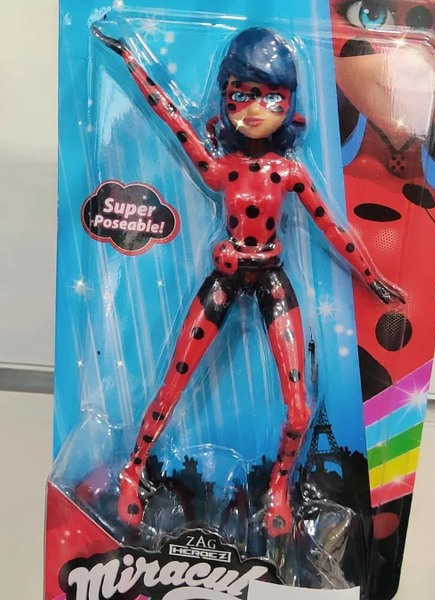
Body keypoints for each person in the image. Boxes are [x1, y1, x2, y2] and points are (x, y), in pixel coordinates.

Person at [93, 25, 402, 537]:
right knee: (174, 382)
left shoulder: (288, 173)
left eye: (271, 97)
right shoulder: (222, 169)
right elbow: (171, 118)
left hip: (272, 281)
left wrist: (374, 278)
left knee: (299, 408)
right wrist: (130, 60)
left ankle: (278, 490)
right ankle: (132, 471)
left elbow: (334, 230)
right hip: (225, 278)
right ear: (225, 98)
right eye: (242, 94)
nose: (255, 109)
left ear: (289, 104)